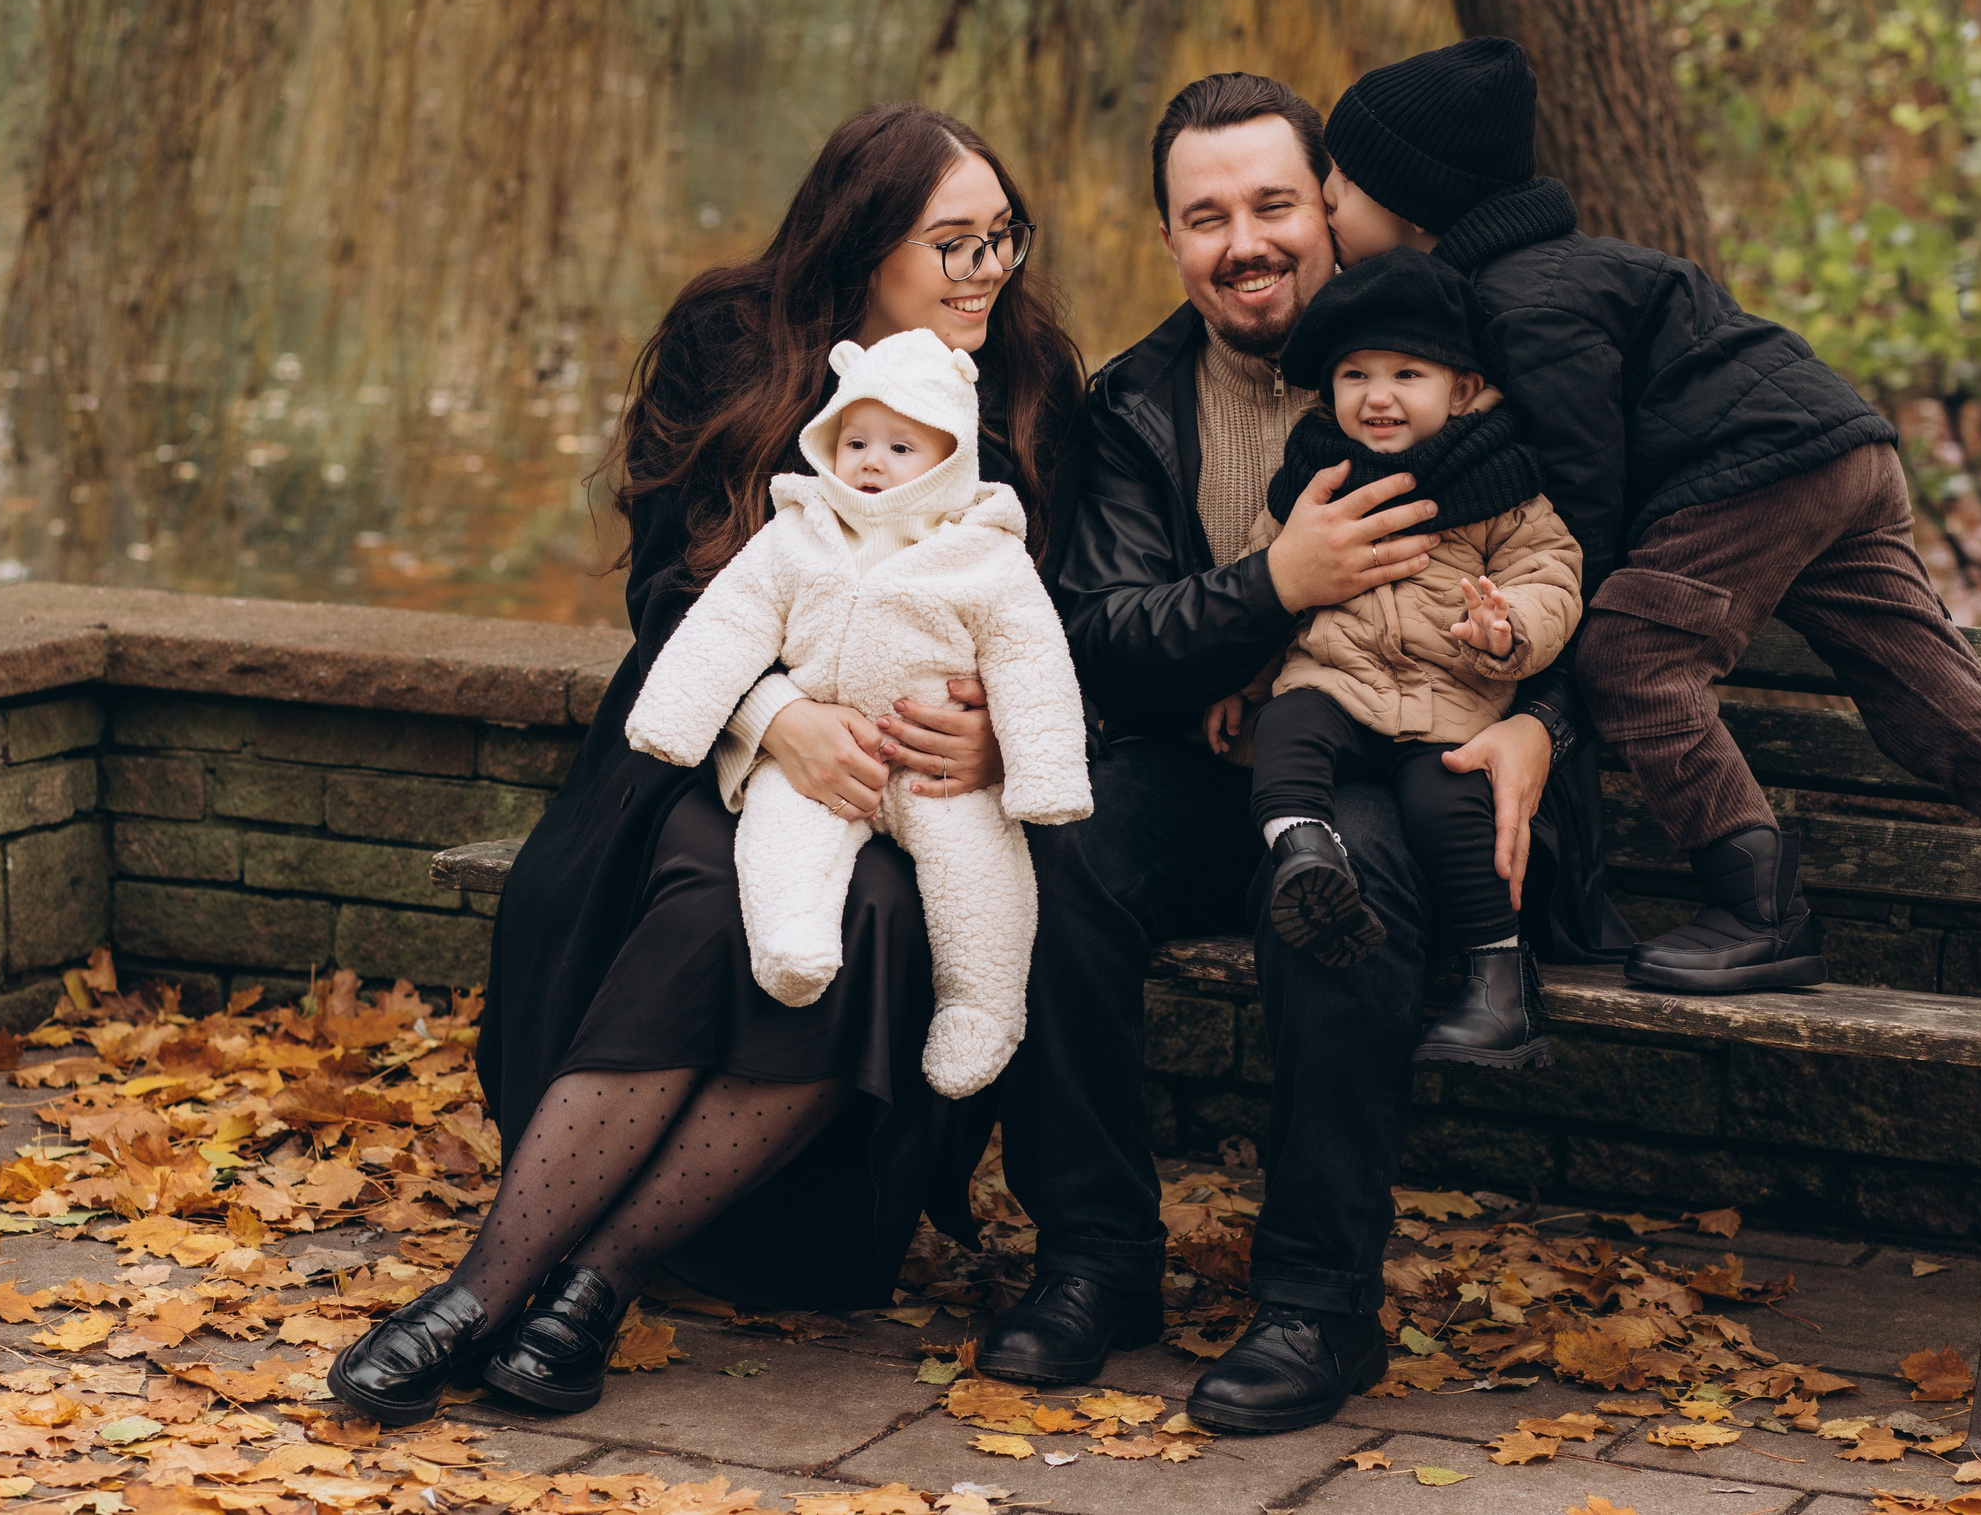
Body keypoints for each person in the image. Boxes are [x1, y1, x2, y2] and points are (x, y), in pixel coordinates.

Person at [330, 104, 1087, 1428]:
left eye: (1002, 238)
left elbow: (1051, 620)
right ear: (864, 248)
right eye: (954, 242)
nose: (988, 270)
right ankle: (482, 1294)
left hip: (925, 794)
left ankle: (591, 1285)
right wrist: (771, 712)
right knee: (707, 908)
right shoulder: (731, 341)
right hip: (707, 748)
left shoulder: (1026, 382)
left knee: (868, 920)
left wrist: (992, 738)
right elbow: (659, 591)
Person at [1317, 36, 1981, 1018]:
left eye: (1340, 178)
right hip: (1837, 454)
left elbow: (1581, 510)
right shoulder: (1550, 275)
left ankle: (1757, 910)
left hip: (1754, 474)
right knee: (1920, 697)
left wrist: (1537, 684)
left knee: (1630, 653)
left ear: (1410, 201)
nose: (1327, 196)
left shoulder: (1517, 301)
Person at [977, 72, 1623, 1437]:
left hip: (1404, 770)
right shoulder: (1140, 400)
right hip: (1212, 769)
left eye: (1274, 202)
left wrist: (1538, 727)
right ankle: (1097, 1259)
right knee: (1060, 856)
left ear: (1328, 207)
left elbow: (1577, 586)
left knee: (1348, 898)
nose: (1245, 240)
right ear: (1167, 239)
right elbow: (1097, 631)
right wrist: (1275, 583)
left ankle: (1318, 1304)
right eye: (1205, 216)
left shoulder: (1457, 356)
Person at [624, 329, 1092, 1099]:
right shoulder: (798, 533)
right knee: (779, 837)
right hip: (813, 758)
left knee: (977, 876)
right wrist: (676, 717)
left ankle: (981, 1007)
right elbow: (729, 621)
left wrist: (1041, 773)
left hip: (935, 771)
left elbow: (1030, 657)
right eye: (857, 441)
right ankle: (792, 941)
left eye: (902, 446)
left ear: (951, 456)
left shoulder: (983, 551)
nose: (872, 460)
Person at [1207, 249, 1582, 1070]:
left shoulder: (1501, 485)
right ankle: (1305, 851)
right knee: (1288, 728)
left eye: (1407, 372)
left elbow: (1552, 575)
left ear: (1467, 389)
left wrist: (1506, 626)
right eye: (1354, 374)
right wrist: (1246, 677)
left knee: (1454, 806)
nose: (1376, 396)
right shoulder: (1316, 478)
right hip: (1335, 682)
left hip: (1453, 702)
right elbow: (1266, 578)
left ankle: (1501, 985)